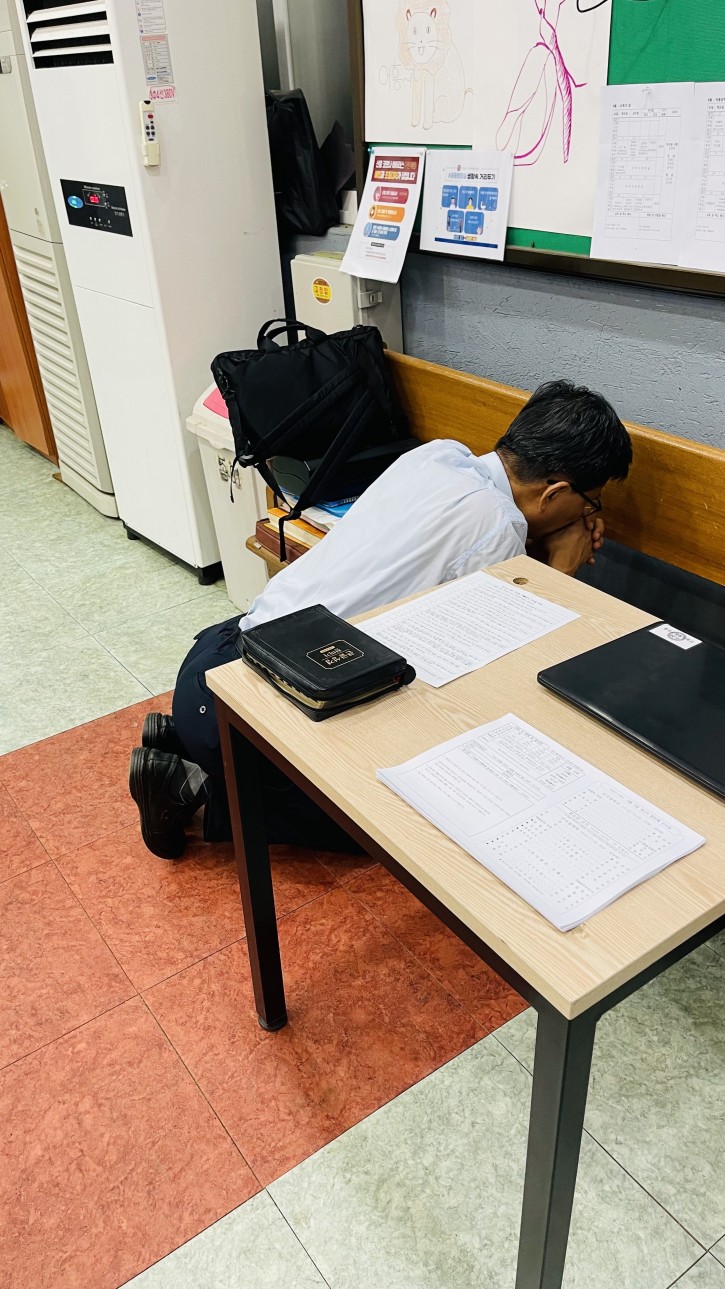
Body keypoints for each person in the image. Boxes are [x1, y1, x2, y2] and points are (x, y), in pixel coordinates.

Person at [129, 379, 632, 860]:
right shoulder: (499, 528)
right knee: (384, 829)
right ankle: (190, 788)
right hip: (252, 704)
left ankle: (180, 740)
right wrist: (561, 568)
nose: (588, 515)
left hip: (218, 655)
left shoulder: (440, 455)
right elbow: (497, 668)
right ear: (554, 493)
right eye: (591, 502)